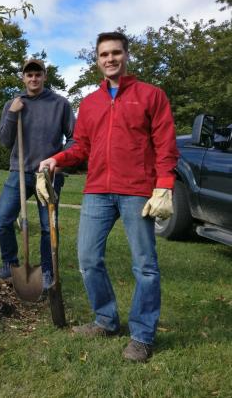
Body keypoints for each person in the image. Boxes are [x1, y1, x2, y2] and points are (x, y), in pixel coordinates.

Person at [37, 32, 179, 362]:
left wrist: (165, 184)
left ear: (126, 55)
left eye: (116, 52)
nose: (110, 59)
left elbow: (166, 145)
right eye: (104, 54)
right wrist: (56, 160)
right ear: (97, 60)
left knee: (145, 266)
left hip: (136, 191)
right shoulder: (89, 103)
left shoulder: (150, 96)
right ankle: (106, 320)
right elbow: (81, 147)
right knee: (88, 260)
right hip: (97, 191)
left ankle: (142, 336)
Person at [0, 58, 75, 296]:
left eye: (37, 74)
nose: (33, 79)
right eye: (29, 75)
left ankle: (47, 271)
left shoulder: (60, 104)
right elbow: (5, 141)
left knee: (48, 227)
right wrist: (12, 114)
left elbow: (74, 138)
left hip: (47, 176)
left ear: (44, 77)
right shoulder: (14, 103)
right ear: (23, 78)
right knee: (3, 219)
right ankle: (10, 265)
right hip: (18, 172)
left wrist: (59, 162)